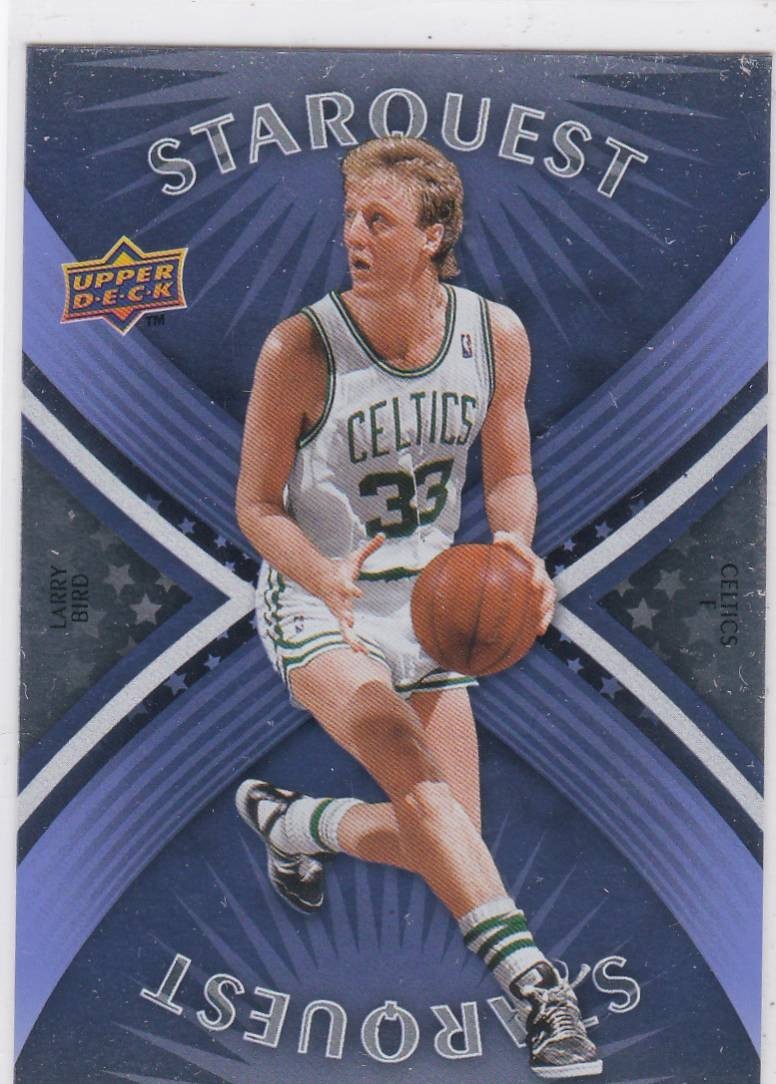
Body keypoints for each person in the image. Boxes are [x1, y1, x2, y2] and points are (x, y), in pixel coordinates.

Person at [235, 135, 601, 1079]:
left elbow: (509, 472)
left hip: (431, 600)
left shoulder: (494, 333)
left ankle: (296, 825)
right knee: (421, 787)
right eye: (350, 216)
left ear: (433, 235)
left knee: (447, 837)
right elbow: (257, 507)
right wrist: (321, 576)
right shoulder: (300, 347)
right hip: (322, 600)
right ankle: (541, 994)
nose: (354, 236)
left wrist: (515, 546)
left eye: (379, 219)